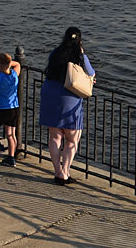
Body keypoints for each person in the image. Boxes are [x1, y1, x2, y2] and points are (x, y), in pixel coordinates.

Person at [39, 27, 96, 185]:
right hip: (69, 98)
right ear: (79, 40)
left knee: (55, 136)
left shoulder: (55, 52)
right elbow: (91, 73)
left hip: (49, 94)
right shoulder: (80, 55)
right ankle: (65, 172)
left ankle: (57, 171)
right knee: (72, 139)